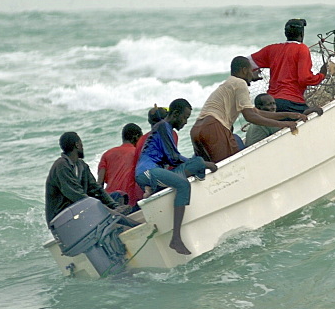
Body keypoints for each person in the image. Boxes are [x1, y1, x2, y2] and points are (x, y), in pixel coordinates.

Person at [135, 98, 216, 255]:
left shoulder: (165, 129)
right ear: (176, 113)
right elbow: (173, 157)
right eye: (185, 117)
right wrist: (206, 164)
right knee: (183, 183)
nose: (185, 122)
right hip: (147, 172)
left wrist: (199, 163)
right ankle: (176, 239)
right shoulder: (164, 126)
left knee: (197, 162)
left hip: (157, 173)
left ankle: (152, 189)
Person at [190, 56, 305, 164]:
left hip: (197, 130)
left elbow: (256, 112)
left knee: (211, 170)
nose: (252, 74)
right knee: (231, 165)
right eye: (251, 71)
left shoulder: (230, 83)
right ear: (244, 70)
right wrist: (284, 124)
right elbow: (250, 117)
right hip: (214, 128)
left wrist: (289, 115)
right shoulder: (240, 83)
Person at [45, 132, 137, 228]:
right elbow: (78, 197)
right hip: (64, 218)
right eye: (81, 143)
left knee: (118, 196)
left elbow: (96, 189)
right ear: (77, 145)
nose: (82, 146)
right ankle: (135, 225)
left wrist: (115, 206)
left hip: (79, 209)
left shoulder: (81, 165)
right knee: (104, 209)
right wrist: (110, 211)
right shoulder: (61, 166)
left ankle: (121, 224)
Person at [249, 18, 330, 114]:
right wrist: (321, 75)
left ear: (285, 33)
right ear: (302, 34)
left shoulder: (272, 49)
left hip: (272, 102)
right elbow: (305, 79)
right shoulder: (301, 48)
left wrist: (251, 75)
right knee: (314, 114)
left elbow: (245, 62)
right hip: (292, 102)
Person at [97, 123, 143, 208]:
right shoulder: (138, 153)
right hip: (130, 203)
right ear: (136, 137)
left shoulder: (107, 154)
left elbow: (98, 186)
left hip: (111, 203)